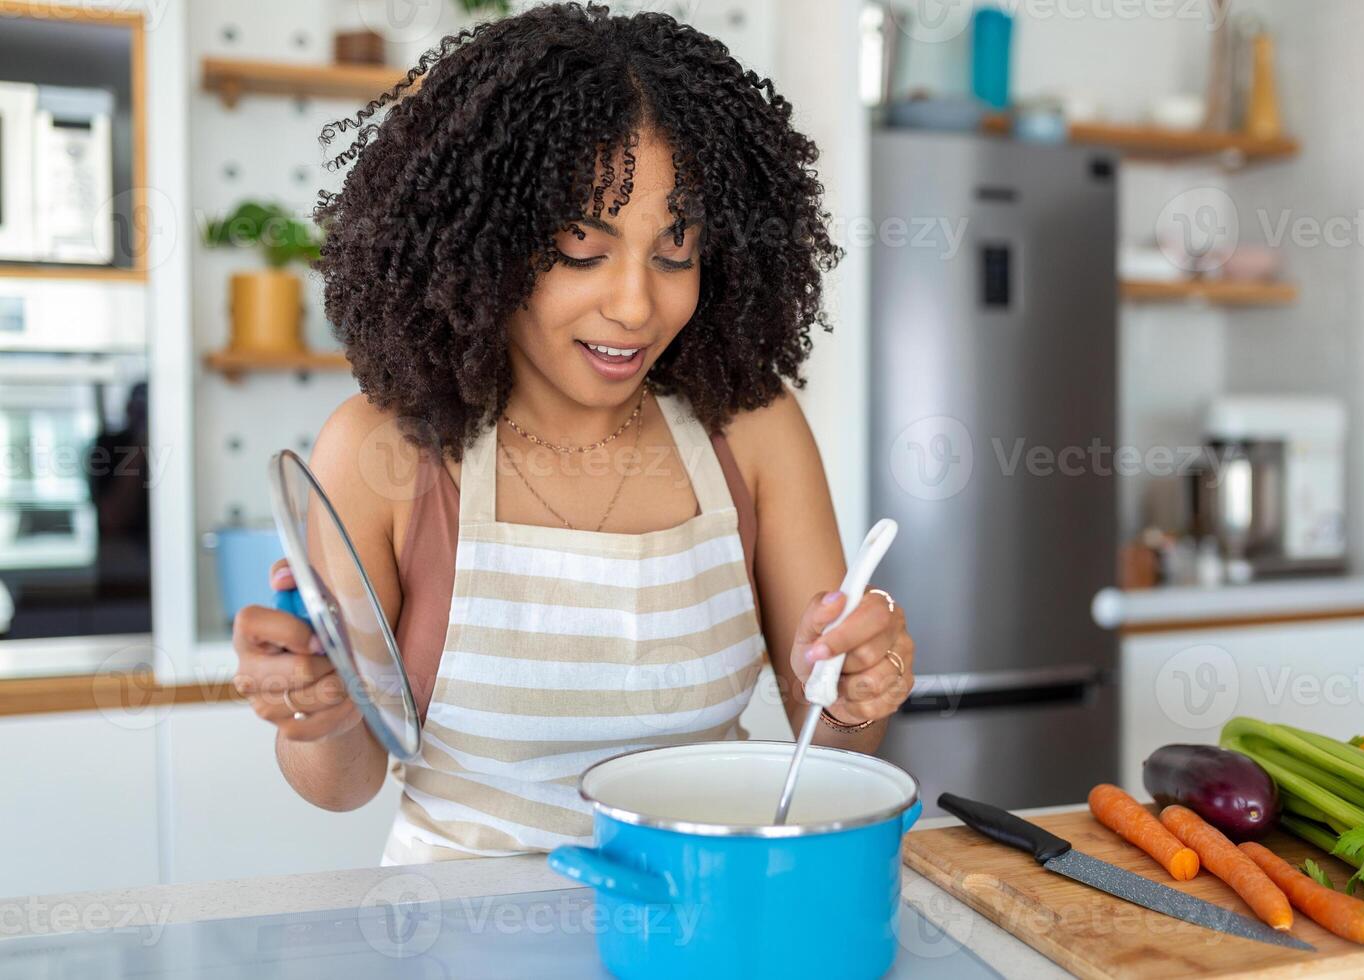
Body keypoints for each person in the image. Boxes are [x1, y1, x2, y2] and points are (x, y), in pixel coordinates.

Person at [230, 2, 916, 863]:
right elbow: (345, 784)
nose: (635, 305)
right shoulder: (385, 452)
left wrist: (861, 690)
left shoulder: (753, 431)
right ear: (479, 244)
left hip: (700, 922)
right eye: (580, 250)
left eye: (674, 253)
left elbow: (831, 748)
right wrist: (315, 713)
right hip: (457, 939)